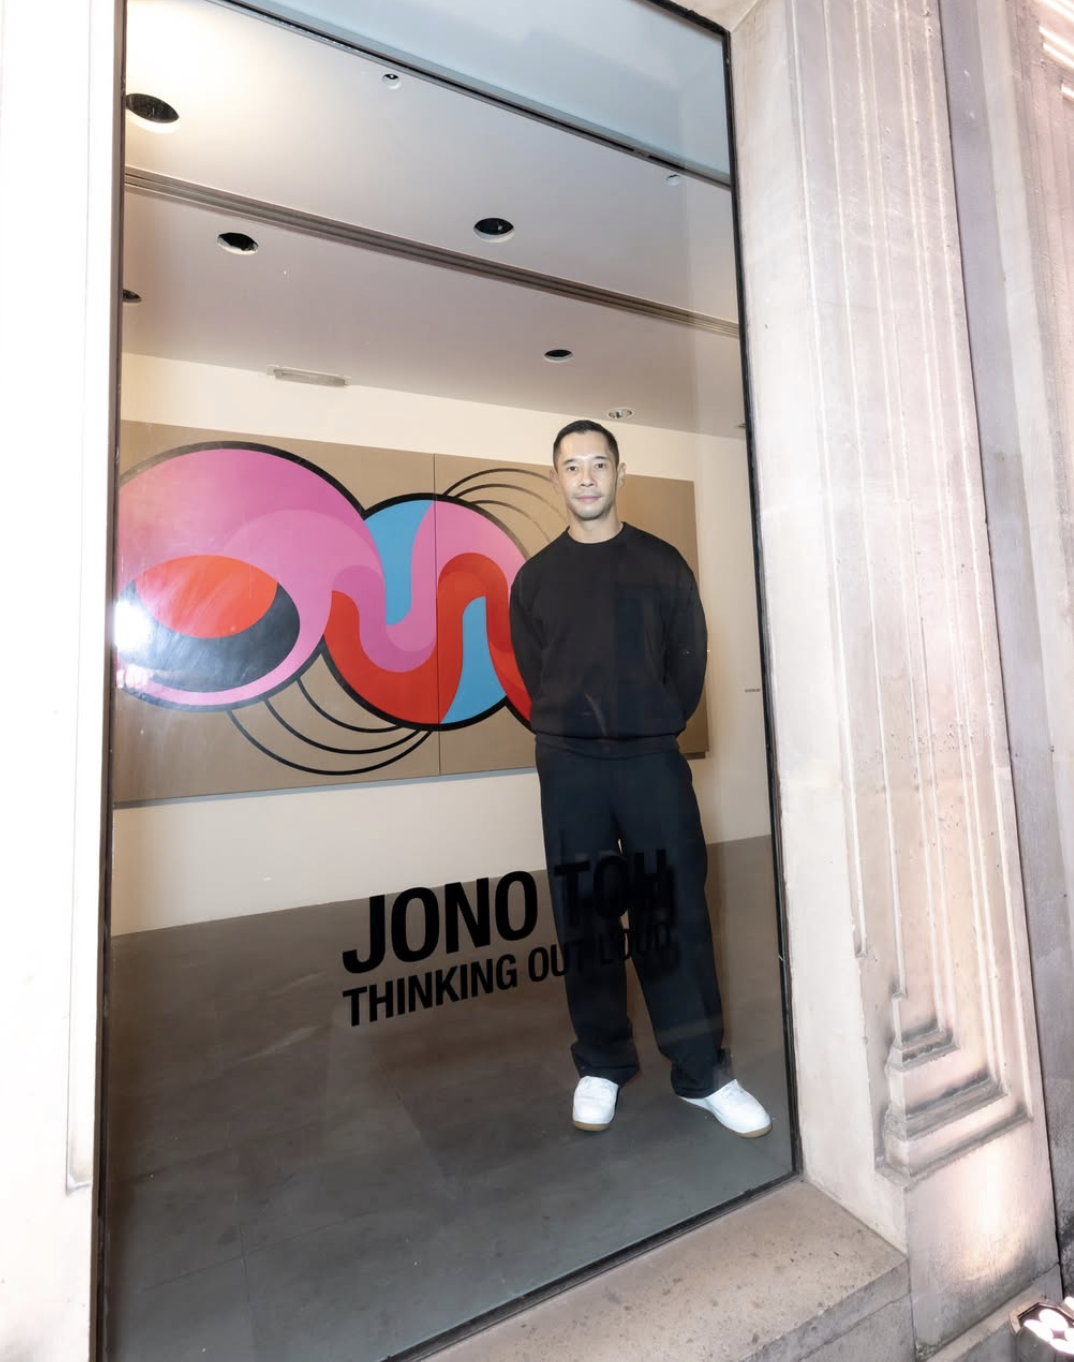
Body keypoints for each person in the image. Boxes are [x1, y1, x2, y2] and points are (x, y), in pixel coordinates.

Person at [509, 418, 771, 1138]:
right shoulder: (536, 579)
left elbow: (688, 660)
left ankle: (702, 1074)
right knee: (586, 918)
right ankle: (602, 1064)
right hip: (570, 767)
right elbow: (534, 671)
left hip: (650, 762)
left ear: (621, 473)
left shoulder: (662, 564)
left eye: (599, 463)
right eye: (572, 466)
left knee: (673, 914)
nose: (586, 477)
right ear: (556, 479)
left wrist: (650, 724)